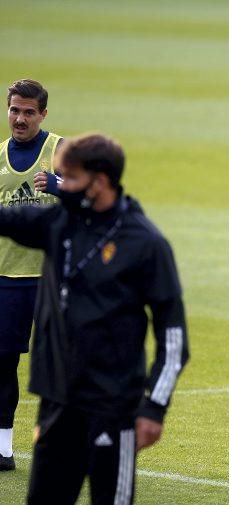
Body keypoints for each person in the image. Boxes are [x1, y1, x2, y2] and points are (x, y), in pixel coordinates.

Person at [0, 132, 189, 504]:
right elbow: (7, 220)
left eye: (68, 178)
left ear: (99, 182)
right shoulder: (59, 223)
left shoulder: (145, 243)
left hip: (113, 408)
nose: (60, 186)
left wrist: (154, 407)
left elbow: (172, 335)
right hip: (57, 403)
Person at [0, 79, 62, 471]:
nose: (19, 119)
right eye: (14, 110)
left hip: (53, 277)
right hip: (6, 277)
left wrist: (60, 185)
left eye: (28, 112)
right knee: (3, 363)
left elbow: (97, 195)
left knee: (61, 364)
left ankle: (65, 445)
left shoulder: (61, 150)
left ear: (43, 113)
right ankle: (3, 448)